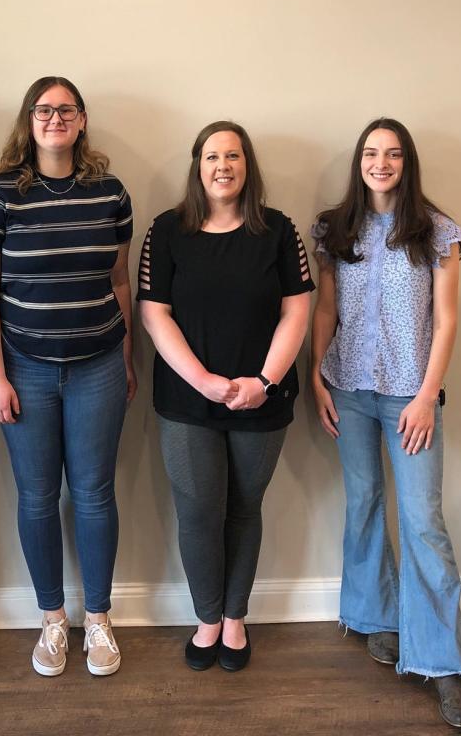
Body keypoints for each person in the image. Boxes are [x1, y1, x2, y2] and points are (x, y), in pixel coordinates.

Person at [0, 76, 135, 677]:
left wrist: (129, 357)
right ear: (28, 120)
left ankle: (98, 620)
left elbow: (119, 282)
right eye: (44, 110)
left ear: (82, 120)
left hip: (99, 366)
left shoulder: (111, 194)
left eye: (66, 110)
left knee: (93, 496)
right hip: (25, 371)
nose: (55, 118)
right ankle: (53, 621)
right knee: (37, 498)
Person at [310, 117, 461, 729]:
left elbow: (447, 319)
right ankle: (376, 617)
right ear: (359, 161)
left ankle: (443, 661)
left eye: (394, 154)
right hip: (348, 387)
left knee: (423, 521)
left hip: (413, 396)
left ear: (407, 164)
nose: (381, 163)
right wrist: (315, 376)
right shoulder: (335, 228)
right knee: (364, 502)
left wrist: (427, 394)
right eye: (372, 153)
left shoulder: (437, 232)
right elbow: (325, 308)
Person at [138, 121, 312, 672]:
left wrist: (262, 382)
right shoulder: (167, 231)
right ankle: (206, 618)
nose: (222, 166)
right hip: (188, 401)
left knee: (243, 507)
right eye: (212, 156)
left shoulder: (279, 230)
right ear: (197, 166)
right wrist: (206, 382)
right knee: (197, 511)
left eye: (232, 156)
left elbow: (298, 309)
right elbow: (153, 313)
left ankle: (235, 618)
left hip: (263, 400)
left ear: (247, 165)